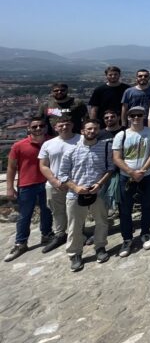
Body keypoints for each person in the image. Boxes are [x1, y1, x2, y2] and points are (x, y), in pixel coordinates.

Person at [58, 118, 113, 272]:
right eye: (89, 129)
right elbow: (62, 174)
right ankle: (75, 254)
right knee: (74, 226)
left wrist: (99, 184)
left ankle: (100, 247)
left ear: (99, 130)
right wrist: (75, 188)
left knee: (101, 222)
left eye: (95, 128)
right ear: (82, 131)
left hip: (98, 192)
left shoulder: (105, 148)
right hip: (76, 194)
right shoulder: (71, 151)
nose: (92, 131)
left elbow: (110, 168)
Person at [4, 117, 53, 263]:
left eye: (41, 126)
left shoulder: (52, 142)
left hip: (47, 182)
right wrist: (9, 187)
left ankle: (47, 235)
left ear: (45, 127)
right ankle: (21, 243)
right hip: (26, 185)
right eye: (34, 126)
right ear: (29, 129)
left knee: (47, 211)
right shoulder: (19, 146)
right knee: (24, 215)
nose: (38, 128)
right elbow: (11, 167)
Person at [112, 106, 150, 257]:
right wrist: (132, 172)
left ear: (144, 116)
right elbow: (116, 158)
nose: (136, 118)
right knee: (125, 208)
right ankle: (127, 238)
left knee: (147, 205)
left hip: (147, 175)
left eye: (139, 115)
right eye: (133, 115)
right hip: (127, 176)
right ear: (129, 117)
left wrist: (142, 170)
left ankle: (145, 233)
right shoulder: (121, 135)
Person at [38, 115, 79, 254]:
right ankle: (60, 235)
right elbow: (43, 165)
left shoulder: (82, 140)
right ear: (55, 128)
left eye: (67, 124)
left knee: (77, 211)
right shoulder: (48, 144)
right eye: (61, 125)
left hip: (76, 183)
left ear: (72, 125)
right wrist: (54, 181)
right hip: (55, 184)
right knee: (57, 211)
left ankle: (78, 234)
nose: (64, 127)